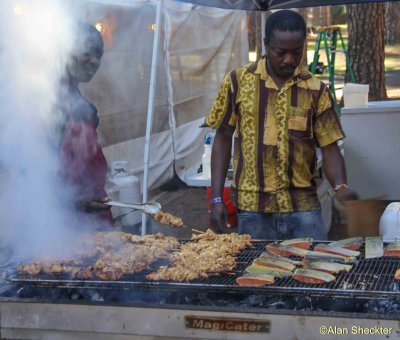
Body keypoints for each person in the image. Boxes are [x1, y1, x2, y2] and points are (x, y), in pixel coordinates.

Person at [205, 10, 356, 240]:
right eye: (280, 52)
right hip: (253, 211)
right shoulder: (237, 81)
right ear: (266, 44)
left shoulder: (316, 90)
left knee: (314, 270)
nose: (289, 60)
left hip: (304, 209)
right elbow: (223, 138)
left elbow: (330, 146)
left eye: (297, 52)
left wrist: (340, 187)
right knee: (256, 271)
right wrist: (216, 198)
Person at [58, 22, 112, 225]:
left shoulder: (86, 109)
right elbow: (30, 176)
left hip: (94, 219)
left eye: (99, 55)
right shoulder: (42, 106)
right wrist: (73, 200)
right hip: (60, 225)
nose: (95, 61)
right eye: (88, 53)